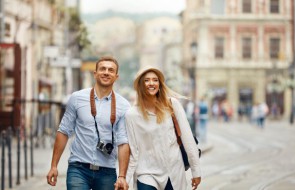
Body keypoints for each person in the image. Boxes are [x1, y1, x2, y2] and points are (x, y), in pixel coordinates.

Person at [46, 56, 131, 190]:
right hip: (78, 168)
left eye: (111, 70)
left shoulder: (124, 105)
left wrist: (122, 176)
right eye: (102, 69)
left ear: (116, 76)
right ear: (95, 73)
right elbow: (63, 131)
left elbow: (123, 142)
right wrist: (54, 166)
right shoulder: (77, 98)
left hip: (107, 171)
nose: (106, 72)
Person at [125, 66, 201, 190]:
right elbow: (133, 151)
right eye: (146, 80)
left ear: (160, 84)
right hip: (146, 173)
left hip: (174, 171)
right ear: (140, 85)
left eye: (155, 80)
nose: (151, 83)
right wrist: (125, 179)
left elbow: (188, 139)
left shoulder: (172, 105)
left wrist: (196, 171)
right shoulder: (131, 114)